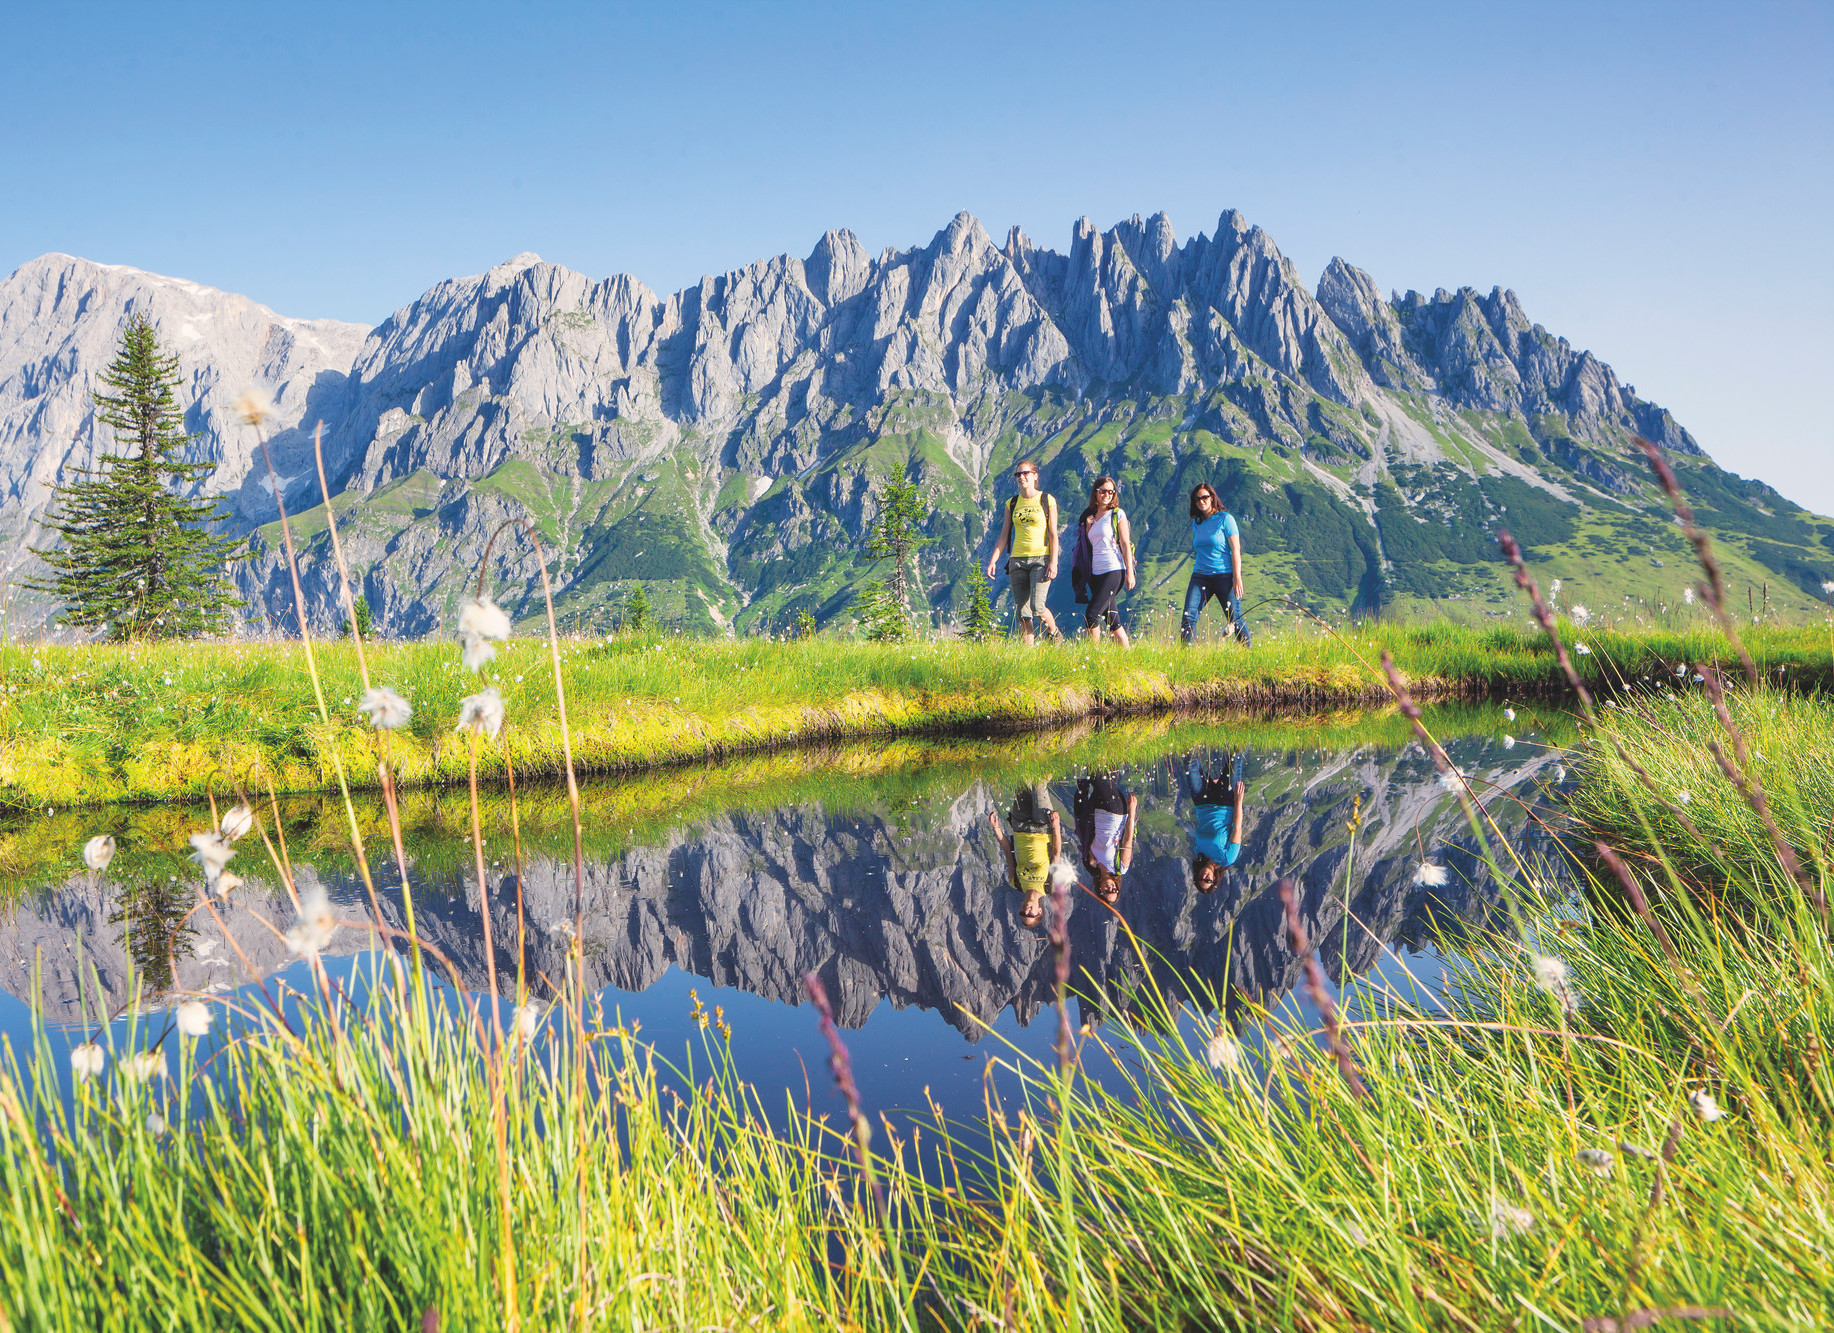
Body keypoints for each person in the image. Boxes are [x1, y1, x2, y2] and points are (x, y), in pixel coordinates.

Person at [984, 460, 1061, 646]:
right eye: (1018, 474)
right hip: (1017, 560)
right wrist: (993, 560)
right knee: (1022, 611)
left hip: (1040, 559)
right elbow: (1004, 535)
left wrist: (1053, 562)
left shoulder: (1046, 500)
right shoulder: (1011, 503)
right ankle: (1028, 653)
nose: (1021, 477)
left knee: (1037, 606)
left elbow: (1053, 533)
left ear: (1035, 475)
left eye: (1025, 473)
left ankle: (1055, 635)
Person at [1181, 482, 1251, 646]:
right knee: (1188, 616)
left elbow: (1235, 549)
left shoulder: (1225, 519)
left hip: (1224, 576)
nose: (1201, 501)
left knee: (1235, 618)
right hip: (1200, 576)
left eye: (1205, 497)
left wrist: (1237, 577)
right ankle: (1185, 656)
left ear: (1212, 498)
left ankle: (1249, 653)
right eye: (1197, 499)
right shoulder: (1196, 523)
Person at [988, 780, 1061, 927]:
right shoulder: (1049, 886)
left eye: (1023, 913)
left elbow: (1008, 853)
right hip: (1043, 827)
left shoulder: (1016, 883)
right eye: (1030, 914)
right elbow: (1055, 853)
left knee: (1021, 782)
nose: (1026, 911)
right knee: (1039, 785)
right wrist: (1056, 827)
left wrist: (996, 829)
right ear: (1039, 911)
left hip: (1020, 826)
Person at [1074, 476, 1135, 647]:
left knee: (1092, 614)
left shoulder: (1117, 514)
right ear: (1096, 493)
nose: (1106, 495)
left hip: (1114, 570)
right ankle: (1127, 655)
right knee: (1112, 621)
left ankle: (1093, 655)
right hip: (1095, 573)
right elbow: (1088, 545)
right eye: (1102, 491)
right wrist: (1087, 527)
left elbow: (1124, 543)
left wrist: (1130, 572)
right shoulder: (1090, 517)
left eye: (1110, 491)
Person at [1187, 749, 1247, 894]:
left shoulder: (1199, 853)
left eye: (1200, 878)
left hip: (1201, 801)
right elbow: (1237, 828)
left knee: (1190, 761)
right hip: (1225, 800)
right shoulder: (1227, 859)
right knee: (1236, 756)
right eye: (1208, 880)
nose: (1204, 876)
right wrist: (1238, 800)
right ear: (1215, 879)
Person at [1074, 769, 1137, 905]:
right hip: (1115, 813)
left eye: (1107, 891)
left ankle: (1113, 751)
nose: (1110, 888)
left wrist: (1091, 858)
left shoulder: (1093, 866)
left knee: (1107, 774)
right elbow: (1128, 839)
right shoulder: (1121, 868)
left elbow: (1090, 842)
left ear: (1100, 890)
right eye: (1114, 890)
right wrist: (1132, 810)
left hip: (1097, 813)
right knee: (1097, 776)